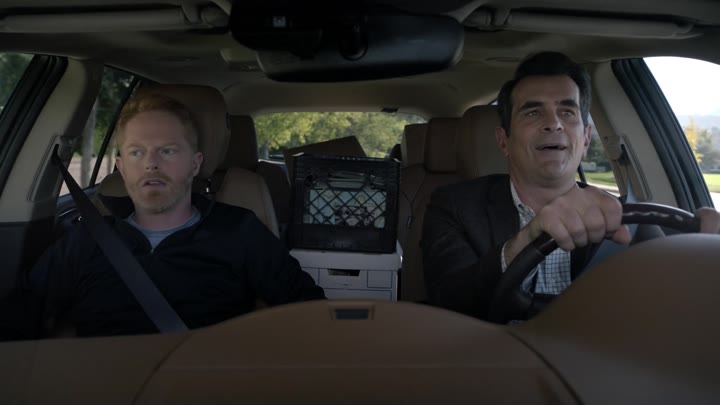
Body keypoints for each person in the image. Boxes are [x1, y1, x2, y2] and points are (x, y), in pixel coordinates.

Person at [420, 51, 720, 320]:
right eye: (533, 112)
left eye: (567, 112)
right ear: (503, 141)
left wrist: (704, 257)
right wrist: (526, 240)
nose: (554, 124)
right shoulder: (454, 205)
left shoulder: (627, 219)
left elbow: (667, 307)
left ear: (586, 140)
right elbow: (447, 305)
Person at [1, 93, 325, 340]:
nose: (151, 164)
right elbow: (18, 319)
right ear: (121, 167)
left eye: (167, 150)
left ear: (195, 164)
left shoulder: (240, 231)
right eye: (137, 152)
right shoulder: (86, 239)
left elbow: (309, 316)